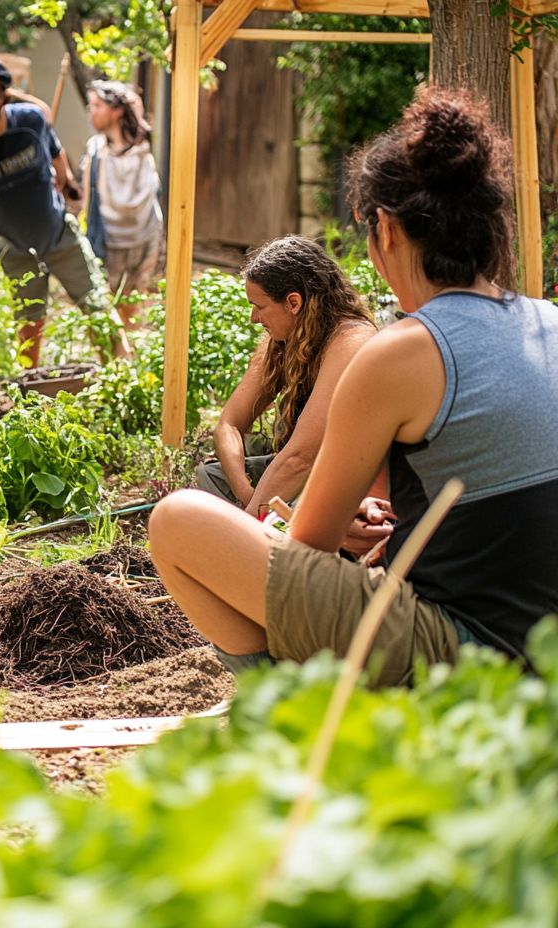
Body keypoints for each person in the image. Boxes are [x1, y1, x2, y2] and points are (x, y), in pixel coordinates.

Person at [148, 88, 558, 685]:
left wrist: (329, 526)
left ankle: (294, 714)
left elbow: (307, 546)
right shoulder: (548, 322)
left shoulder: (398, 351)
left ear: (386, 230)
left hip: (470, 652)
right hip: (543, 635)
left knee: (178, 520)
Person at [0, 55, 130, 367]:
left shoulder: (30, 122)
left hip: (59, 235)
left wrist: (67, 182)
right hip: (12, 248)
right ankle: (28, 391)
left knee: (98, 307)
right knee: (29, 324)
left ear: (4, 95)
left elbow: (56, 153)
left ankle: (122, 376)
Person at [194, 236, 376, 518]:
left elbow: (302, 457)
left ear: (293, 302)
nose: (253, 318)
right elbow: (228, 425)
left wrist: (250, 522)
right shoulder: (281, 342)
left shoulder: (350, 341)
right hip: (296, 474)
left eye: (260, 306)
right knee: (211, 475)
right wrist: (246, 492)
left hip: (343, 482)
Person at [80, 79, 165, 324]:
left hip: (142, 238)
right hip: (108, 240)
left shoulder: (143, 152)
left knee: (132, 302)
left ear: (116, 111)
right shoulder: (96, 150)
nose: (91, 112)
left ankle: (128, 353)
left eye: (97, 105)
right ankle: (116, 354)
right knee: (105, 303)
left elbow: (145, 196)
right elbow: (89, 198)